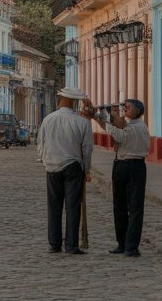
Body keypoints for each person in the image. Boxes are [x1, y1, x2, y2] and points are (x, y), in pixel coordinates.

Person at [85, 98, 151, 258]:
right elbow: (113, 129)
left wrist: (97, 118)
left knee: (135, 208)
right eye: (125, 107)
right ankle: (122, 243)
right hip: (121, 165)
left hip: (134, 167)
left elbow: (118, 135)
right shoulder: (129, 126)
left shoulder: (139, 127)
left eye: (128, 107)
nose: (125, 109)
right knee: (119, 206)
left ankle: (131, 246)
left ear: (138, 110)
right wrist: (95, 117)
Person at [37, 86, 93, 255]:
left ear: (62, 100)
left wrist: (44, 160)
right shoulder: (82, 122)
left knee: (53, 206)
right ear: (73, 102)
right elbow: (87, 149)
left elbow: (41, 143)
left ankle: (54, 244)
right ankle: (71, 245)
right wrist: (87, 169)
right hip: (73, 166)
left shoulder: (48, 119)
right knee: (73, 206)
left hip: (53, 166)